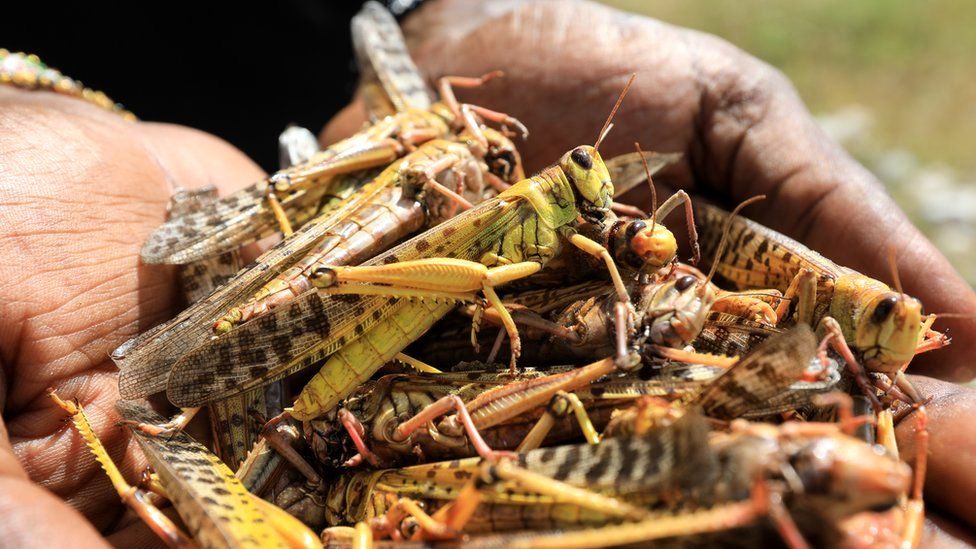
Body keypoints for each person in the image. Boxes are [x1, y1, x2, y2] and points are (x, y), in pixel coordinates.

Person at [0, 1, 973, 546]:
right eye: (582, 180)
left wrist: (420, 12)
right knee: (404, 288)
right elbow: (476, 274)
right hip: (344, 303)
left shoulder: (569, 222)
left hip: (394, 360)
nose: (586, 186)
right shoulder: (505, 201)